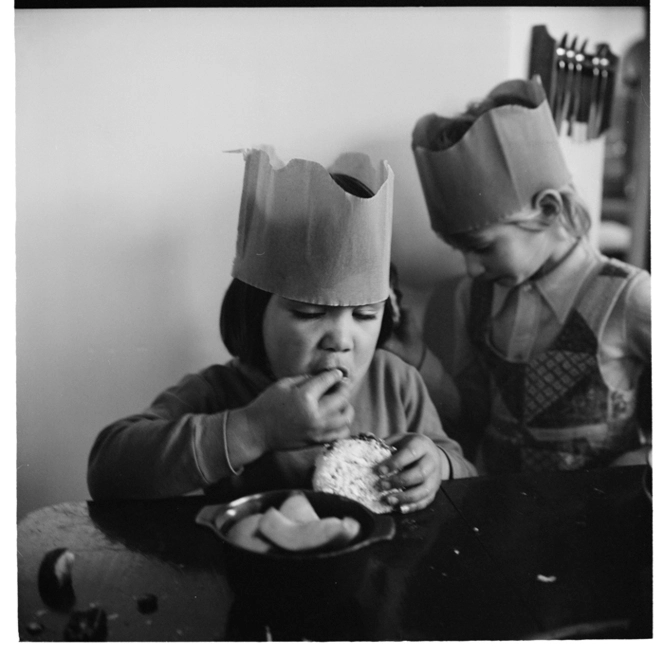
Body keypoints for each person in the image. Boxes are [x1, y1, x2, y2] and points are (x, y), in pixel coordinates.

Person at [87, 147, 476, 512]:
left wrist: (438, 465)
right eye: (308, 314)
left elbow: (466, 471)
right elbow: (108, 471)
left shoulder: (399, 385)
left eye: (364, 316)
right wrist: (254, 430)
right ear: (256, 313)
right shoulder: (220, 394)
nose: (340, 340)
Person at [385, 77, 651, 474]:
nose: (472, 269)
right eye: (460, 252)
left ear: (546, 209)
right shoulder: (473, 298)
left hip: (593, 521)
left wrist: (641, 462)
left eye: (483, 247)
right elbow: (473, 413)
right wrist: (418, 360)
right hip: (498, 513)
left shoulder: (628, 298)